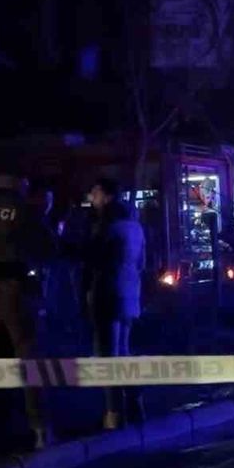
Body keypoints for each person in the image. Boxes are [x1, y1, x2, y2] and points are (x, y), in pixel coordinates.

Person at [0, 174, 55, 455]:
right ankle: (39, 429)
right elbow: (47, 246)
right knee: (28, 360)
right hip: (15, 292)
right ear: (19, 185)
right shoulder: (22, 210)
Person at [86, 181, 147, 430]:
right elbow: (142, 263)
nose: (91, 197)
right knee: (123, 352)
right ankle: (135, 404)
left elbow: (92, 258)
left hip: (107, 294)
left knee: (107, 356)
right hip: (130, 295)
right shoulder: (135, 226)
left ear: (107, 196)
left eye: (95, 192)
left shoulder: (106, 225)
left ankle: (114, 414)